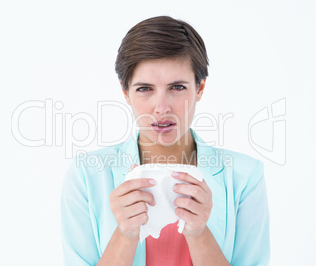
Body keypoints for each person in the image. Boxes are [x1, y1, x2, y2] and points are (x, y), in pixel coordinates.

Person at [61, 15, 270, 266]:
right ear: (125, 93)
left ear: (200, 88)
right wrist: (125, 235)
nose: (161, 108)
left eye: (178, 87)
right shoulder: (87, 175)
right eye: (144, 89)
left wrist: (199, 233)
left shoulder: (245, 177)